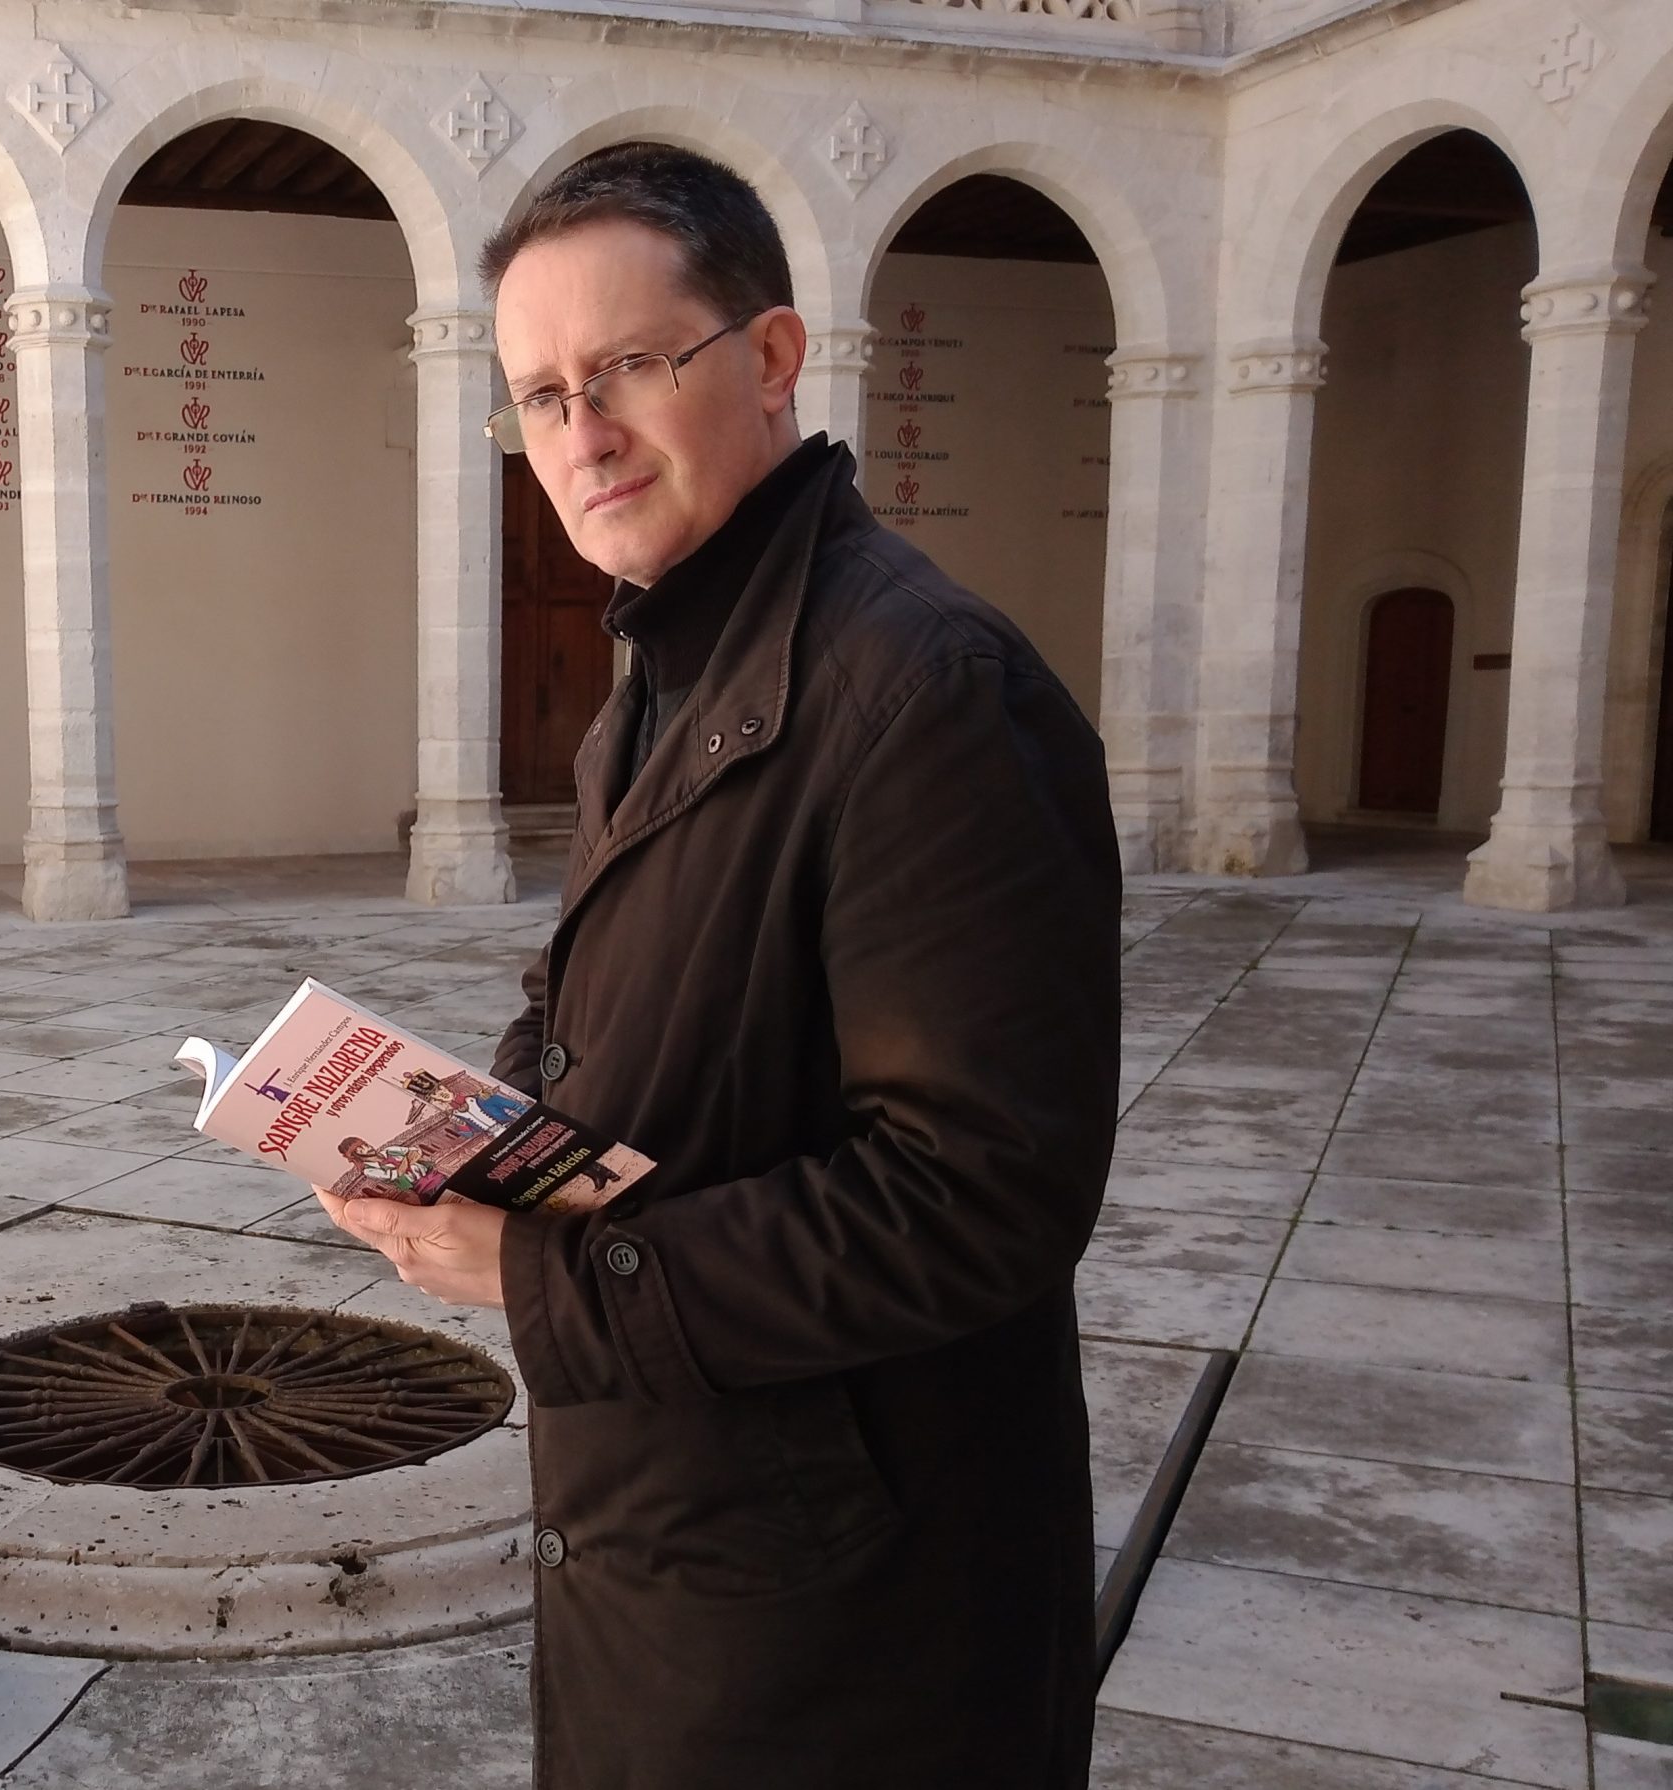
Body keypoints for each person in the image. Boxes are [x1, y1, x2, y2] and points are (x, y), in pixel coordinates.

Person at [316, 142, 1119, 1788]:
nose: (583, 434)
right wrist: (468, 1132)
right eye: (542, 396)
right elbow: (610, 995)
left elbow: (978, 1195)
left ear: (769, 358)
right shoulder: (672, 663)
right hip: (698, 1537)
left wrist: (537, 1277)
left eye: (626, 365)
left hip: (848, 1618)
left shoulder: (926, 693)